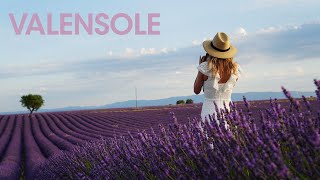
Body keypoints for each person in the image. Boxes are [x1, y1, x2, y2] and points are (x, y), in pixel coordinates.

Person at [194, 32, 243, 132]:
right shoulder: (235, 69)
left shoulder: (205, 68)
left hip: (209, 112)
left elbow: (196, 90)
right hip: (228, 112)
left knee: (207, 143)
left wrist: (200, 67)